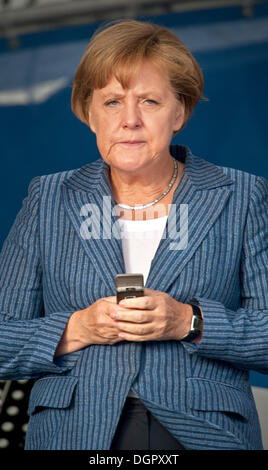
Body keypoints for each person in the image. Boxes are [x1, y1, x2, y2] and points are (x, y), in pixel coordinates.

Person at [0, 19, 267, 451]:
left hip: (202, 432)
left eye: (149, 101)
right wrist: (77, 328)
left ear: (179, 111)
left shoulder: (243, 195)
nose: (130, 121)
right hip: (76, 432)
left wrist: (190, 322)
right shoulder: (47, 198)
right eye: (111, 102)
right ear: (89, 114)